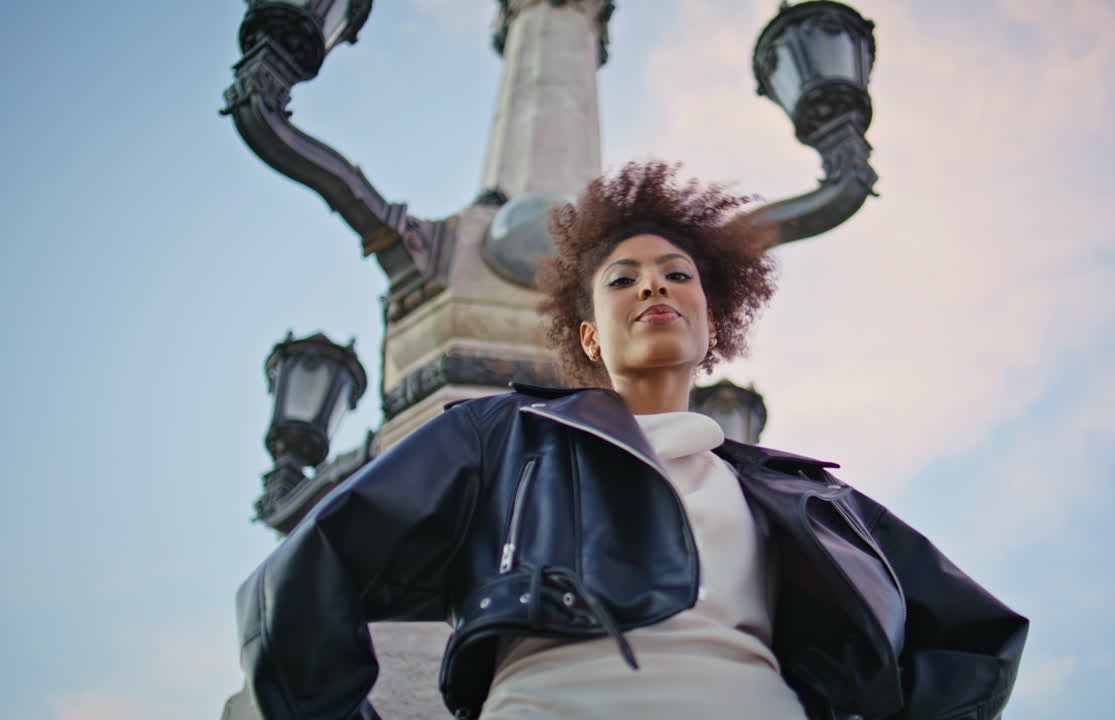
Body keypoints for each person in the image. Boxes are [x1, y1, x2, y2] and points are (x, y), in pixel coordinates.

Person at [236, 160, 1028, 720]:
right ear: (588, 332)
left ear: (710, 319)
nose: (653, 284)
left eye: (677, 274)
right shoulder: (503, 436)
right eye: (621, 278)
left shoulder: (806, 493)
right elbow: (308, 572)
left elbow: (972, 643)